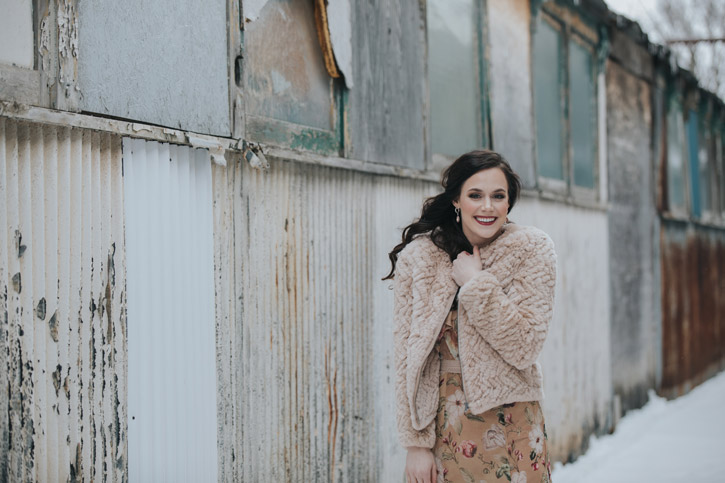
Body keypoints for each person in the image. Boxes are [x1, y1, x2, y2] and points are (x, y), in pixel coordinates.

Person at [384, 150, 556, 483]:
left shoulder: (532, 249)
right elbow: (407, 357)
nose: (487, 207)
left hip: (513, 422)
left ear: (509, 203)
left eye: (498, 196)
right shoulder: (420, 257)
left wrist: (476, 285)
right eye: (475, 195)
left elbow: (525, 347)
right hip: (444, 423)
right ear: (457, 202)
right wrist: (416, 445)